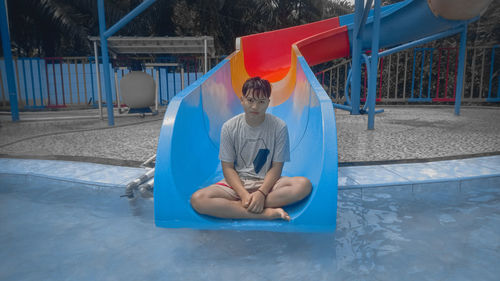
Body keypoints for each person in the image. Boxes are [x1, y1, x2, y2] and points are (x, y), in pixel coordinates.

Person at [190, 77, 312, 221]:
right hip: (237, 185)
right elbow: (228, 168)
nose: (255, 107)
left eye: (261, 102)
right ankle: (266, 214)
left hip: (268, 184)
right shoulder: (229, 127)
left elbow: (276, 168)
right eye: (250, 100)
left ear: (268, 102)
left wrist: (261, 193)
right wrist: (243, 194)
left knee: (303, 185)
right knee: (198, 199)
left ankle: (236, 207)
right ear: (242, 100)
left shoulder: (279, 127)